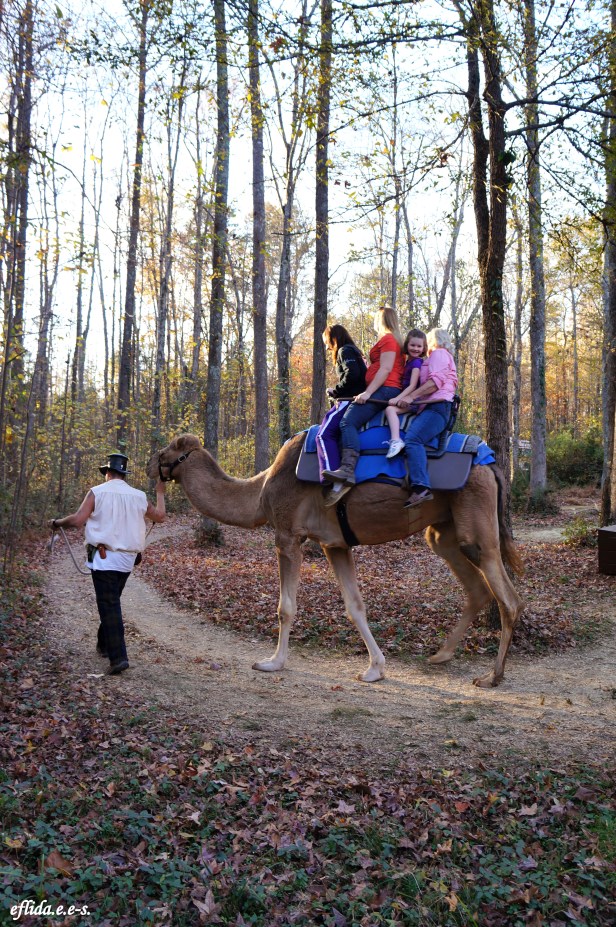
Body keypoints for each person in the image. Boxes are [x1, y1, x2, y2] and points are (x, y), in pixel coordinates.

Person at [50, 452, 166, 675]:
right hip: (127, 560)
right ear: (123, 474)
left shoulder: (97, 492)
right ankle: (103, 644)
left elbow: (76, 520)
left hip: (104, 559)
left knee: (109, 604)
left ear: (107, 473)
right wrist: (160, 493)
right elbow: (160, 516)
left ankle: (118, 657)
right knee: (112, 600)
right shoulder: (139, 496)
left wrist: (57, 523)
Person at [322, 304, 405, 503]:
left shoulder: (388, 339)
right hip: (384, 388)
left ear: (381, 320)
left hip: (384, 389)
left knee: (347, 422)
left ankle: (347, 470)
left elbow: (385, 370)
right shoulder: (395, 340)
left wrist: (368, 392)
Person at [388, 327, 458, 508]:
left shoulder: (439, 354)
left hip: (438, 407)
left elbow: (435, 383)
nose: (424, 346)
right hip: (430, 406)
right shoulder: (436, 357)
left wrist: (411, 397)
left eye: (427, 341)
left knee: (413, 439)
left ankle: (421, 488)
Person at [316, 324, 367, 483]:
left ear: (333, 339)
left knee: (323, 434)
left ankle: (331, 477)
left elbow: (353, 374)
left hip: (349, 399)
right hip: (352, 396)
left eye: (327, 342)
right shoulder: (354, 350)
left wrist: (336, 390)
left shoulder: (344, 351)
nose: (327, 347)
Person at [384, 328, 427, 458]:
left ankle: (396, 440)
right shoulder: (407, 361)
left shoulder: (417, 362)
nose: (415, 349)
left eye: (419, 346)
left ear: (424, 348)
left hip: (413, 400)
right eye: (412, 345)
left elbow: (413, 385)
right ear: (407, 345)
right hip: (406, 397)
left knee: (390, 410)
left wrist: (398, 398)